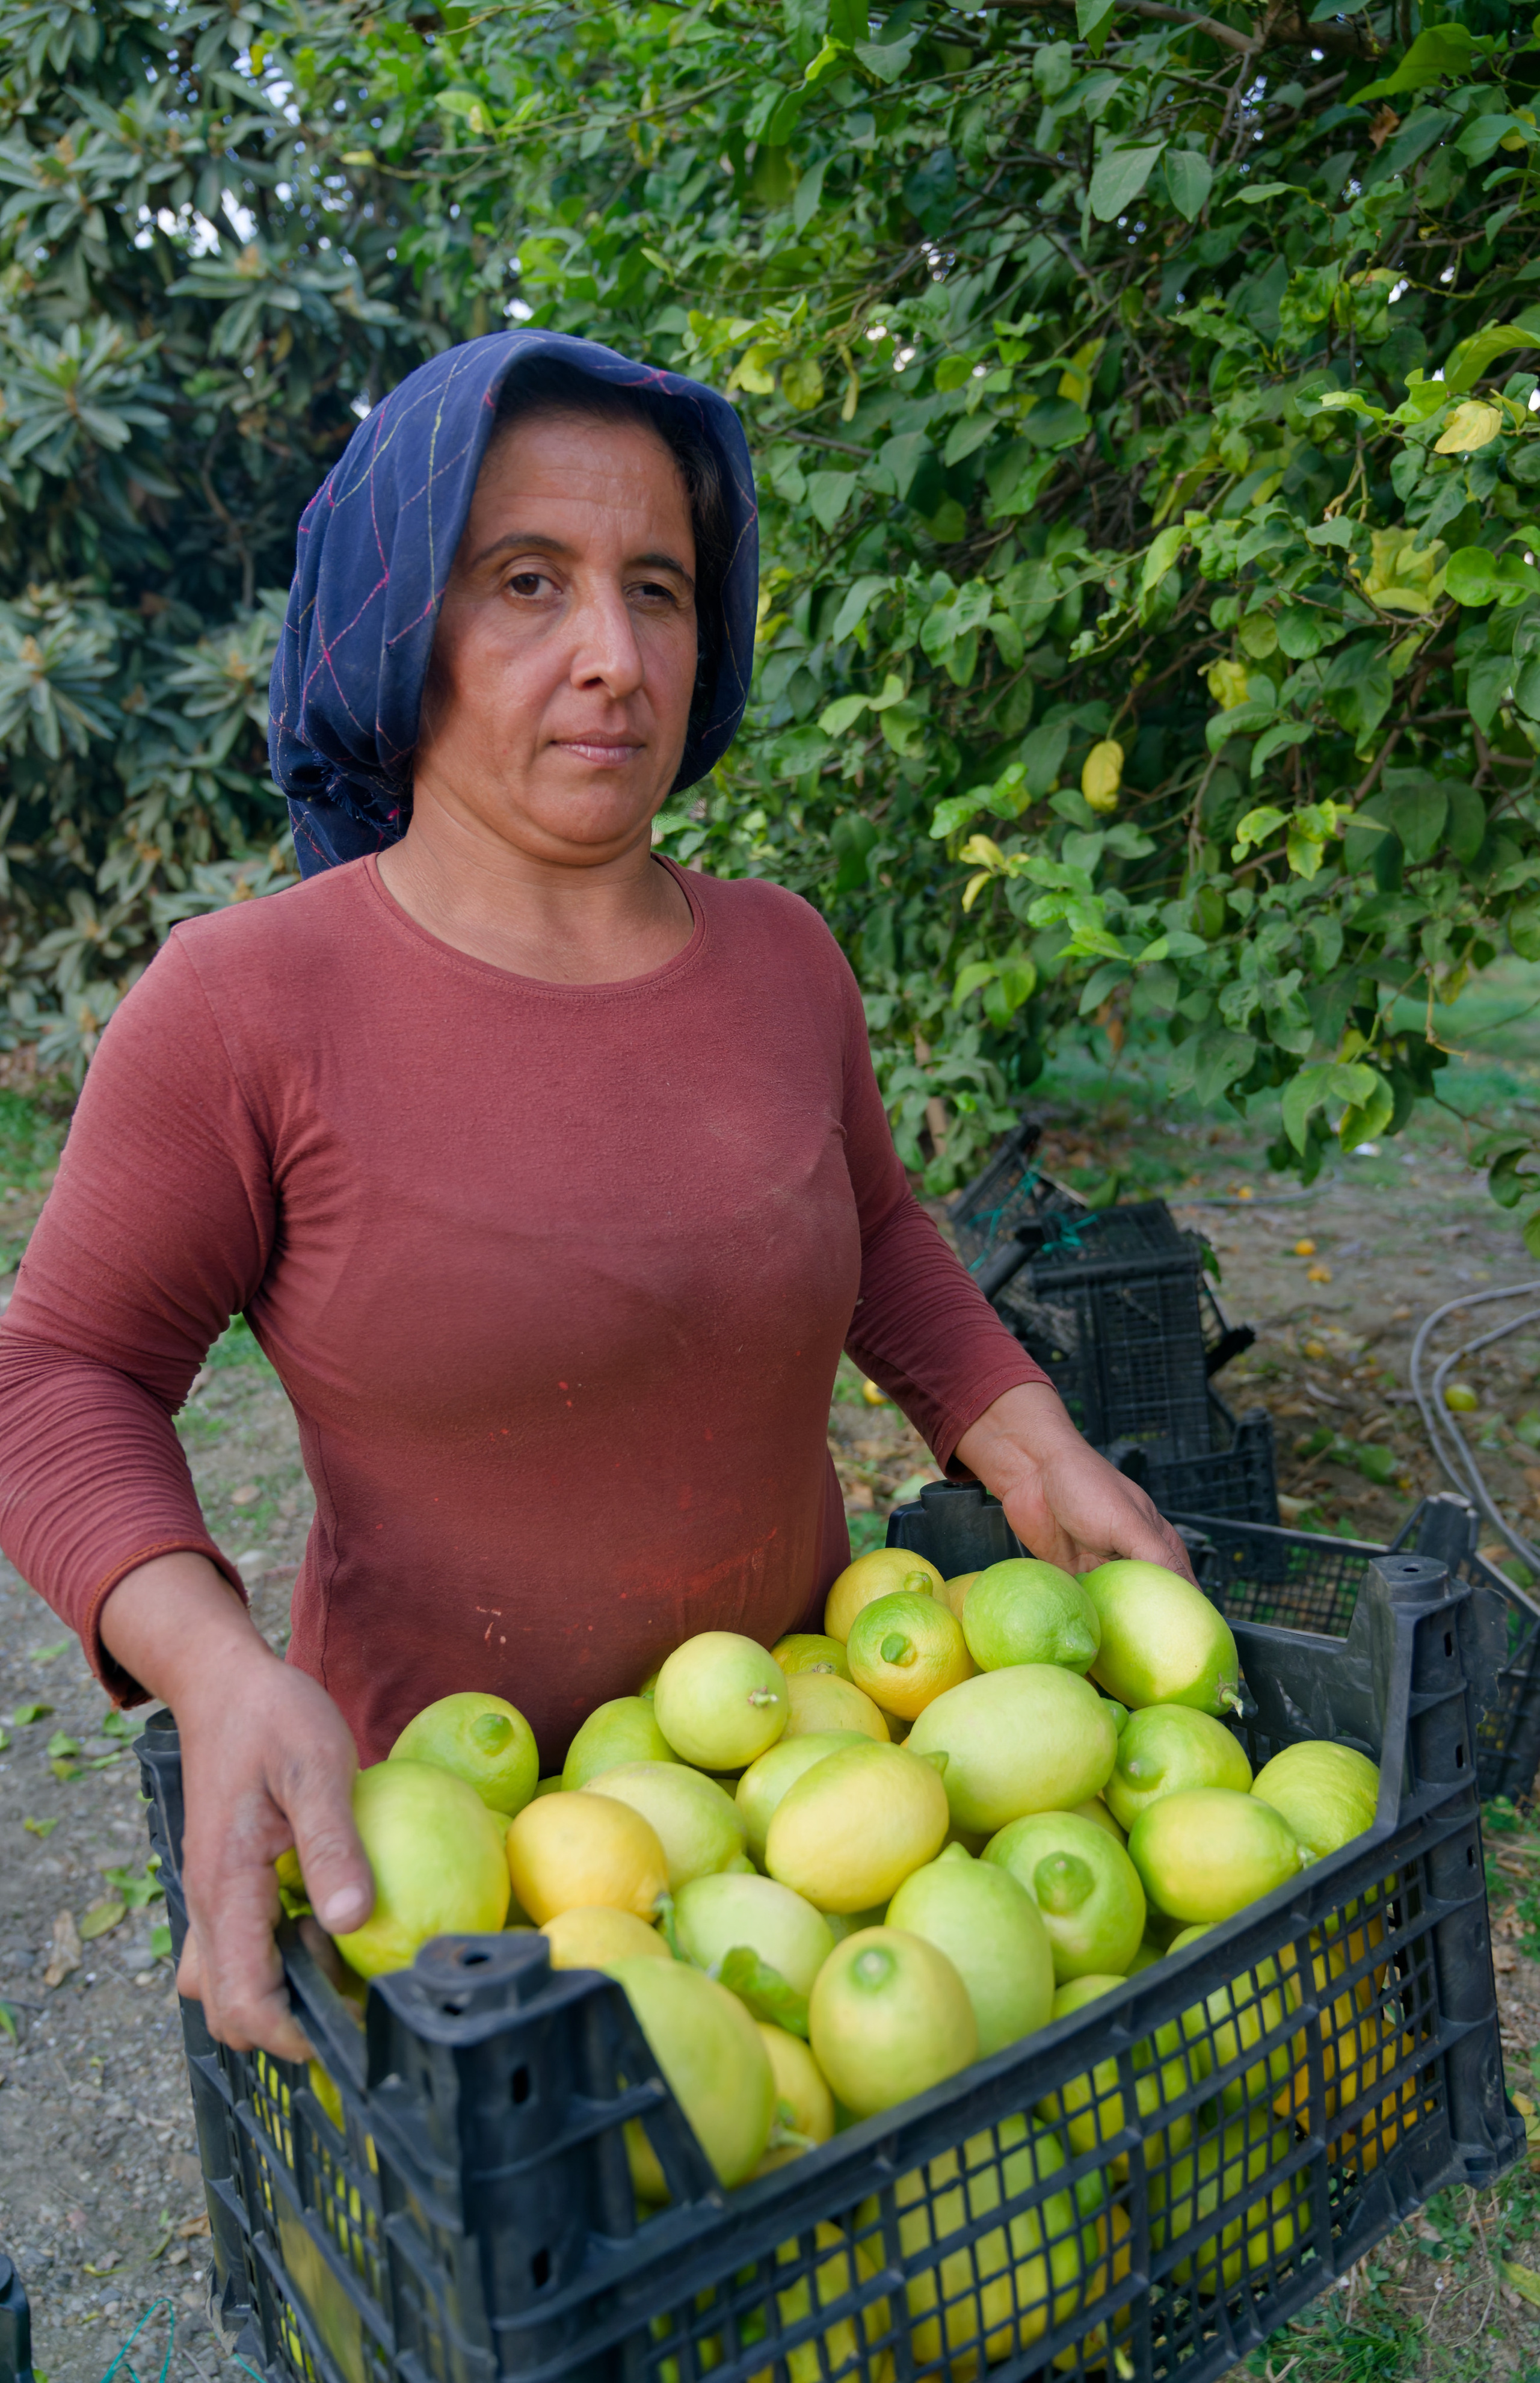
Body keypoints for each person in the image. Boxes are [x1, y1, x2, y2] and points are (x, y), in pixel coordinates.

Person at [0, 330, 1190, 2062]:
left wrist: (1021, 1432)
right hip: (440, 1873)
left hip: (816, 1811)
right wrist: (212, 1661)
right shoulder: (251, 1005)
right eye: (526, 583)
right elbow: (58, 1378)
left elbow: (878, 1237)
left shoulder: (782, 958)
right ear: (406, 620)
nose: (612, 658)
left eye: (659, 588)